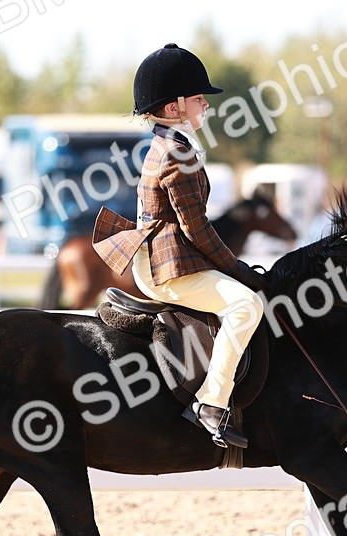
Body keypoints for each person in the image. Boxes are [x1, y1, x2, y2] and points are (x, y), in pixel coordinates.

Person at [92, 44, 266, 449]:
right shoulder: (177, 153)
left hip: (167, 257)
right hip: (166, 267)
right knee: (246, 304)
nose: (206, 105)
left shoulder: (173, 145)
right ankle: (212, 402)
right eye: (199, 99)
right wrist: (237, 269)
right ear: (174, 108)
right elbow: (196, 229)